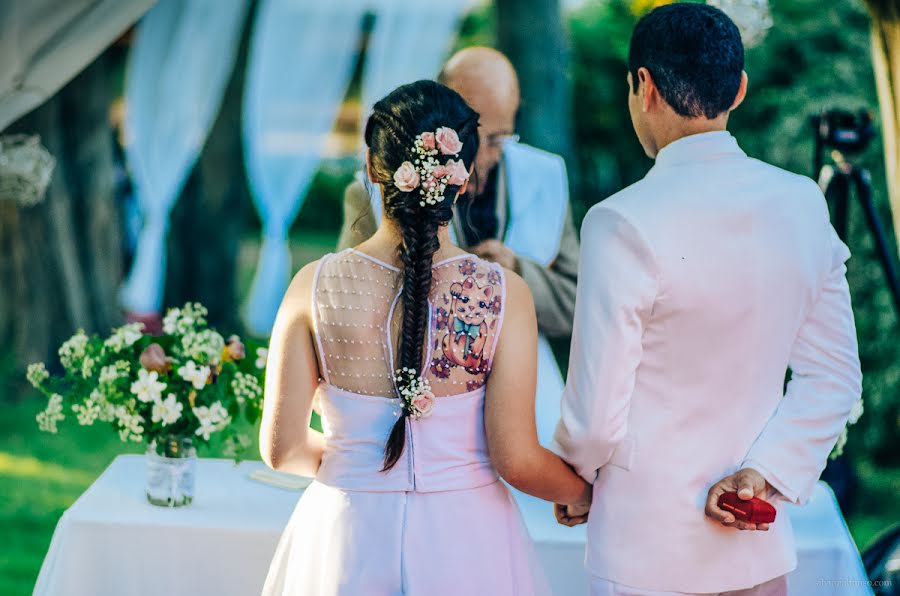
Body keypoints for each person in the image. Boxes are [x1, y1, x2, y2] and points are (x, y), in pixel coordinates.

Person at [552, 4, 863, 596]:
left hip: (645, 547)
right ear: (739, 89)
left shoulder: (619, 222)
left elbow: (594, 419)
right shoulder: (802, 204)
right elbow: (835, 379)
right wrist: (764, 474)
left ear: (643, 87)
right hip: (753, 544)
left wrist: (576, 476)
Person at [259, 80, 590, 596]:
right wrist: (581, 491)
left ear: (372, 169)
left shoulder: (312, 287)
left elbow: (282, 451)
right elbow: (518, 459)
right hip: (466, 541)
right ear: (464, 180)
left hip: (345, 535)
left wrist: (356, 459)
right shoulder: (503, 294)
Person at [338, 47, 577, 445]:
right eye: (474, 138)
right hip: (416, 411)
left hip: (526, 406)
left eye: (500, 138)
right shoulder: (374, 190)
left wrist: (518, 273)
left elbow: (575, 302)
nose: (482, 155)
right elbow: (353, 305)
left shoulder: (546, 179)